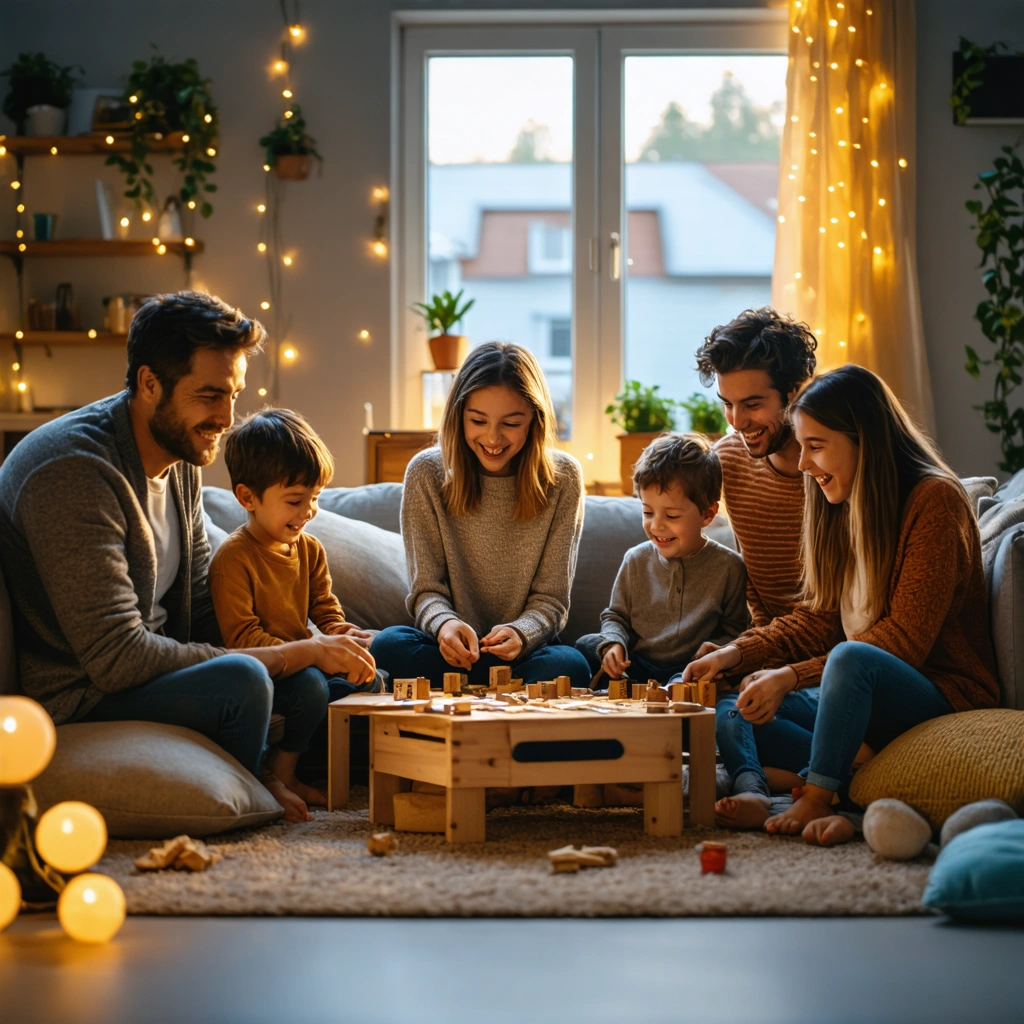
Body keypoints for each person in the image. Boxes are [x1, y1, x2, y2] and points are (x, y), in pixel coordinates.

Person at [0, 291, 375, 782]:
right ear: (150, 383)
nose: (225, 418)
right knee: (244, 680)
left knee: (325, 676)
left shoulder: (180, 463)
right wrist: (288, 653)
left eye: (233, 395)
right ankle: (254, 786)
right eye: (210, 395)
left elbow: (202, 605)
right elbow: (117, 658)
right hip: (86, 692)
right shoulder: (74, 471)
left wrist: (314, 646)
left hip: (165, 667)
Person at [683, 365, 1000, 844]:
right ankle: (851, 777)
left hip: (941, 692)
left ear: (864, 439)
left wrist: (791, 675)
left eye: (816, 446)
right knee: (739, 706)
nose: (805, 464)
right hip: (863, 696)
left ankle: (819, 792)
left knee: (848, 659)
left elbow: (902, 644)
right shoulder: (838, 503)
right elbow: (817, 621)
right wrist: (736, 655)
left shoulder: (934, 502)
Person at [371, 341, 591, 690]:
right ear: (459, 415)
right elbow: (426, 589)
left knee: (572, 665)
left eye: (511, 423)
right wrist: (444, 625)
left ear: (534, 419)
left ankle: (474, 690)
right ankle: (496, 692)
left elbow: (551, 599)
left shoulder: (563, 478)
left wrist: (523, 632)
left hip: (525, 655)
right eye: (478, 420)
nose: (492, 438)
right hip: (447, 654)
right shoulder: (426, 473)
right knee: (387, 646)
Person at [210, 408, 381, 821]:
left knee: (373, 679)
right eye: (295, 501)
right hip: (269, 672)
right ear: (248, 497)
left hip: (308, 659)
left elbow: (325, 609)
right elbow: (242, 641)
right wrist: (313, 650)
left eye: (315, 499)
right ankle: (280, 773)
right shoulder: (234, 559)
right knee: (310, 689)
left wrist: (346, 636)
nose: (308, 512)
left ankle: (344, 767)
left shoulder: (309, 549)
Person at [692, 308, 820, 822]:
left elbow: (840, 617)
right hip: (769, 656)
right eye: (726, 404)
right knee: (705, 708)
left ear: (795, 392)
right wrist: (735, 654)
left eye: (752, 404)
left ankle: (824, 778)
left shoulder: (833, 472)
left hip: (830, 665)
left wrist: (742, 658)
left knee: (734, 711)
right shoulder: (729, 460)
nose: (737, 422)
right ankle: (809, 779)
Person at [575, 432, 748, 686]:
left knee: (707, 676)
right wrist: (614, 644)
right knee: (586, 644)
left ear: (708, 514)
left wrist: (718, 648)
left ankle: (665, 690)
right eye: (647, 512)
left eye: (672, 516)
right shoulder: (636, 559)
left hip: (690, 667)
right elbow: (615, 617)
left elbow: (735, 631)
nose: (656, 526)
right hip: (637, 662)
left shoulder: (730, 567)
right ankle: (631, 685)